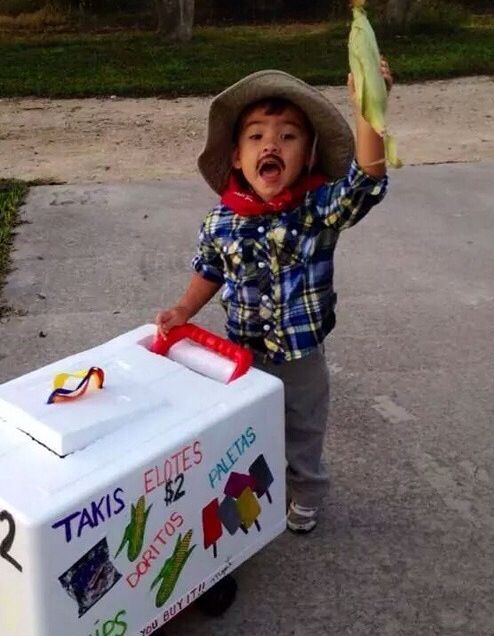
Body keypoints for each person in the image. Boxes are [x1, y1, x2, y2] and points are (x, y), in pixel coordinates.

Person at [155, 61, 392, 533]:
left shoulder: (316, 209)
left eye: (288, 137)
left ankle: (306, 491)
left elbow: (366, 181)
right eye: (256, 136)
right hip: (242, 354)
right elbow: (210, 269)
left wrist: (370, 110)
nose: (271, 144)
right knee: (246, 432)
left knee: (303, 429)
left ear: (307, 157)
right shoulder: (221, 220)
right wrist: (183, 308)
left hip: (302, 357)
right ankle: (252, 494)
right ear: (237, 158)